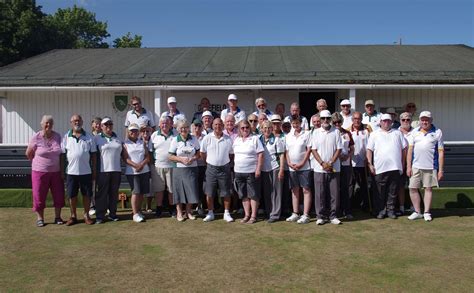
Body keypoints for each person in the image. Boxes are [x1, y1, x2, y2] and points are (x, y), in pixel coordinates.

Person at [26, 115, 65, 227]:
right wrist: (38, 163)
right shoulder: (36, 137)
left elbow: (61, 153)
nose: (48, 125)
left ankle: (58, 217)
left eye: (50, 123)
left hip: (56, 172)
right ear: (42, 124)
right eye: (46, 123)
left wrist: (62, 171)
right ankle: (40, 218)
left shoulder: (57, 136)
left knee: (58, 194)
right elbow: (28, 154)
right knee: (39, 195)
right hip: (39, 172)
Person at [367, 114, 407, 219]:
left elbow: (404, 150)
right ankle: (380, 211)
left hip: (395, 167)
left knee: (392, 191)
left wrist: (402, 164)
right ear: (380, 122)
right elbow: (369, 150)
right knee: (379, 192)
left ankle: (391, 211)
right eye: (384, 121)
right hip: (379, 168)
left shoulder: (398, 133)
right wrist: (370, 164)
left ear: (391, 122)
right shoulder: (374, 134)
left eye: (388, 121)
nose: (386, 123)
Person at [406, 111, 444, 222]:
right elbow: (410, 150)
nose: (424, 122)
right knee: (412, 188)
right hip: (415, 166)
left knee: (428, 189)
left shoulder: (437, 132)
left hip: (431, 166)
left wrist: (441, 170)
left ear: (431, 120)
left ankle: (427, 212)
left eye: (427, 119)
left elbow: (441, 152)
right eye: (422, 119)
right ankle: (417, 212)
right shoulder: (414, 132)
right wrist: (408, 166)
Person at [61, 114, 96, 226]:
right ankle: (73, 216)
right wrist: (62, 171)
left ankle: (86, 215)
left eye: (79, 120)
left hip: (86, 172)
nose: (77, 123)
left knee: (87, 195)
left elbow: (94, 156)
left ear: (82, 122)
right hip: (71, 172)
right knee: (72, 195)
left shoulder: (89, 137)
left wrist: (94, 171)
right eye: (74, 121)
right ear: (71, 123)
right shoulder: (66, 137)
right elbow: (62, 156)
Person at [311, 110, 343, 225]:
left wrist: (330, 163)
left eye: (327, 118)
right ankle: (320, 216)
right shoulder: (315, 132)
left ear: (330, 119)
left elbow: (339, 149)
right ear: (320, 119)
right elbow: (313, 150)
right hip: (319, 168)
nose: (325, 120)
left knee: (334, 193)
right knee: (320, 193)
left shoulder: (336, 132)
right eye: (323, 118)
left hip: (334, 168)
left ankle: (333, 216)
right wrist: (322, 163)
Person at [200, 118, 235, 222]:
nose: (217, 126)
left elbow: (231, 154)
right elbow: (202, 153)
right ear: (212, 125)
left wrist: (224, 162)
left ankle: (227, 213)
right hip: (211, 169)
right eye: (215, 124)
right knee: (209, 193)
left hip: (224, 168)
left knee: (226, 192)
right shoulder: (207, 138)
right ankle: (210, 213)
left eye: (220, 124)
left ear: (223, 126)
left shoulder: (228, 139)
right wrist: (209, 162)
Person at [94, 117, 127, 224]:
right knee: (102, 195)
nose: (108, 126)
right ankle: (100, 215)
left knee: (113, 194)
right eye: (106, 125)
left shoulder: (117, 139)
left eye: (110, 124)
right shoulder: (97, 138)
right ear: (102, 126)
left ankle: (112, 214)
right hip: (103, 171)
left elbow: (123, 153)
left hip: (116, 170)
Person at [168, 120, 201, 222]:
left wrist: (193, 159)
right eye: (181, 128)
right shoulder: (175, 140)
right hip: (179, 169)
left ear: (189, 128)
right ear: (178, 129)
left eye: (186, 127)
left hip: (192, 169)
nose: (184, 129)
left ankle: (189, 212)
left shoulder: (194, 139)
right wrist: (181, 159)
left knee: (191, 190)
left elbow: (199, 153)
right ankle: (179, 212)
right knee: (179, 192)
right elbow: (170, 156)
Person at [232, 120, 264, 224]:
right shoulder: (236, 140)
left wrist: (258, 168)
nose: (245, 129)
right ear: (239, 129)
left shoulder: (255, 139)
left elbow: (260, 154)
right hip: (238, 171)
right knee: (243, 195)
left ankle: (253, 216)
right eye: (242, 128)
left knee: (253, 195)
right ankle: (247, 215)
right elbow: (233, 155)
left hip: (251, 171)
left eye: (247, 127)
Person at [285, 116, 312, 224]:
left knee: (306, 190)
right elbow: (286, 151)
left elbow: (309, 150)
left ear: (301, 123)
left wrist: (302, 163)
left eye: (297, 123)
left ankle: (305, 215)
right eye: (293, 123)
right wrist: (289, 163)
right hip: (292, 168)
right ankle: (295, 213)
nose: (295, 125)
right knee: (294, 190)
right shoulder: (288, 136)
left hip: (304, 167)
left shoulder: (307, 134)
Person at [123, 123, 151, 223]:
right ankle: (135, 214)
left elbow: (147, 157)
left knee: (141, 193)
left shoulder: (142, 142)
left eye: (135, 130)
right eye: (131, 131)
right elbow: (125, 158)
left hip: (144, 170)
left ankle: (138, 211)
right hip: (132, 172)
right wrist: (136, 166)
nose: (133, 132)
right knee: (136, 192)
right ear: (128, 132)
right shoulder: (125, 143)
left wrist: (141, 165)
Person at [259, 121, 285, 223]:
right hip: (264, 169)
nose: (267, 130)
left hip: (275, 168)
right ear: (261, 129)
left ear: (272, 129)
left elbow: (281, 155)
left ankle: (275, 214)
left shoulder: (277, 140)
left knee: (276, 192)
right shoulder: (258, 139)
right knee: (267, 192)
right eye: (265, 128)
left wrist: (281, 170)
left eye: (269, 127)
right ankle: (269, 212)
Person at [150, 116, 175, 217]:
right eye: (162, 123)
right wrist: (153, 163)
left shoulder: (175, 134)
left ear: (170, 124)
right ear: (159, 125)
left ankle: (172, 208)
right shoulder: (154, 135)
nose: (164, 125)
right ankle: (159, 208)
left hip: (172, 166)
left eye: (166, 123)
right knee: (159, 189)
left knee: (171, 189)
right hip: (158, 166)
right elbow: (150, 151)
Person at [332, 112, 354, 220]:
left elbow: (352, 148)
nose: (337, 124)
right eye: (334, 122)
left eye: (338, 122)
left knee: (347, 188)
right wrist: (337, 156)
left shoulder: (347, 133)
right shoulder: (331, 133)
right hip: (335, 164)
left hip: (346, 164)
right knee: (335, 189)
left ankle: (347, 210)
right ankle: (336, 211)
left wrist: (348, 156)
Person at [348, 112, 372, 212]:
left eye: (358, 118)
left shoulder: (367, 129)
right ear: (352, 119)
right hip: (351, 163)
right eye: (355, 119)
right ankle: (350, 206)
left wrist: (368, 159)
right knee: (351, 185)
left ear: (361, 119)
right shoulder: (348, 130)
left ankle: (365, 205)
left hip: (363, 162)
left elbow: (370, 145)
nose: (357, 120)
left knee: (364, 185)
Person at [397, 112, 414, 215]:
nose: (406, 121)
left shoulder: (416, 132)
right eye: (403, 120)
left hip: (414, 163)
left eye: (408, 119)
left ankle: (414, 207)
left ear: (411, 120)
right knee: (400, 186)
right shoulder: (396, 132)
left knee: (413, 186)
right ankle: (402, 207)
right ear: (400, 121)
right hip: (400, 163)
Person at [191, 118, 207, 216]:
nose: (197, 128)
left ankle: (200, 206)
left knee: (202, 187)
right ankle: (192, 206)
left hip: (202, 166)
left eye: (199, 126)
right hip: (191, 166)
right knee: (193, 186)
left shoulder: (206, 137)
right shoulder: (190, 137)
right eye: (195, 126)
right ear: (192, 127)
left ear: (202, 127)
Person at [89, 117, 102, 217]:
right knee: (92, 187)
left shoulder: (103, 136)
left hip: (102, 166)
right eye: (96, 123)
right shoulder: (89, 137)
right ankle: (92, 206)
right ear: (92, 125)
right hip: (91, 166)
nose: (97, 125)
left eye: (99, 124)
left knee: (101, 187)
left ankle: (102, 206)